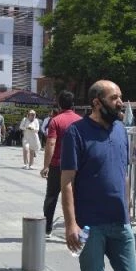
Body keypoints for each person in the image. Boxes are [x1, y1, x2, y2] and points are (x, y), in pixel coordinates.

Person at [61, 80, 136, 271]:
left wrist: (127, 209)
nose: (120, 102)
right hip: (90, 225)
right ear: (97, 102)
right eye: (114, 97)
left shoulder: (120, 131)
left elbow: (124, 172)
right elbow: (67, 182)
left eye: (121, 96)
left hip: (120, 222)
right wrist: (71, 223)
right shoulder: (76, 132)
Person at [41, 91, 81, 238]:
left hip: (57, 165)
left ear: (59, 104)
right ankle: (77, 228)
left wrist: (46, 166)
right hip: (76, 166)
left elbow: (51, 143)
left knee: (51, 197)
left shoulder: (55, 121)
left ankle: (47, 229)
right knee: (76, 197)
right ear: (73, 104)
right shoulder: (80, 121)